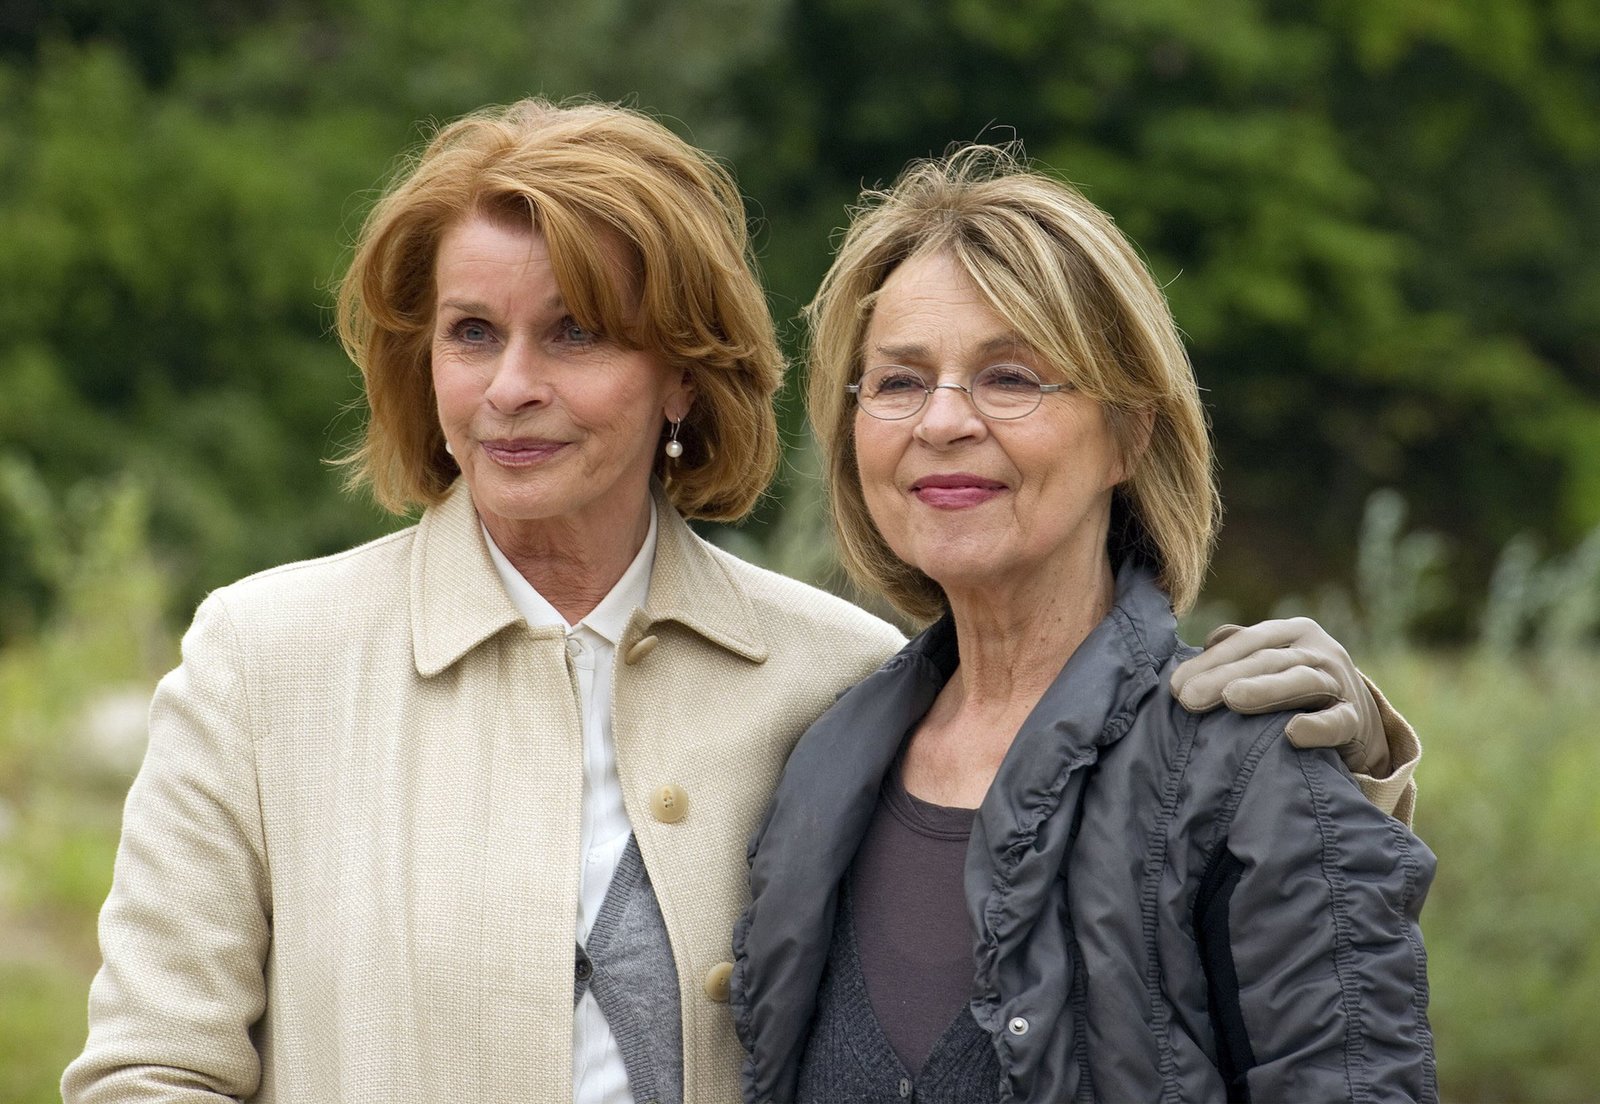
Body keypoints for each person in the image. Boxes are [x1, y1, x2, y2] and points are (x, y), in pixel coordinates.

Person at [64, 101, 1417, 1104]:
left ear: (684, 373)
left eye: (575, 331)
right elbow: (147, 1072)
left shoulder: (833, 677)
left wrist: (1339, 782)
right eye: (471, 334)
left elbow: (1243, 961)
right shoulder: (266, 663)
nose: (511, 387)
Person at [733, 145, 1435, 1103]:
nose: (941, 422)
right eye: (897, 382)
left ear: (1130, 432)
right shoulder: (817, 760)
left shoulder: (1249, 771)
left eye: (1010, 376)